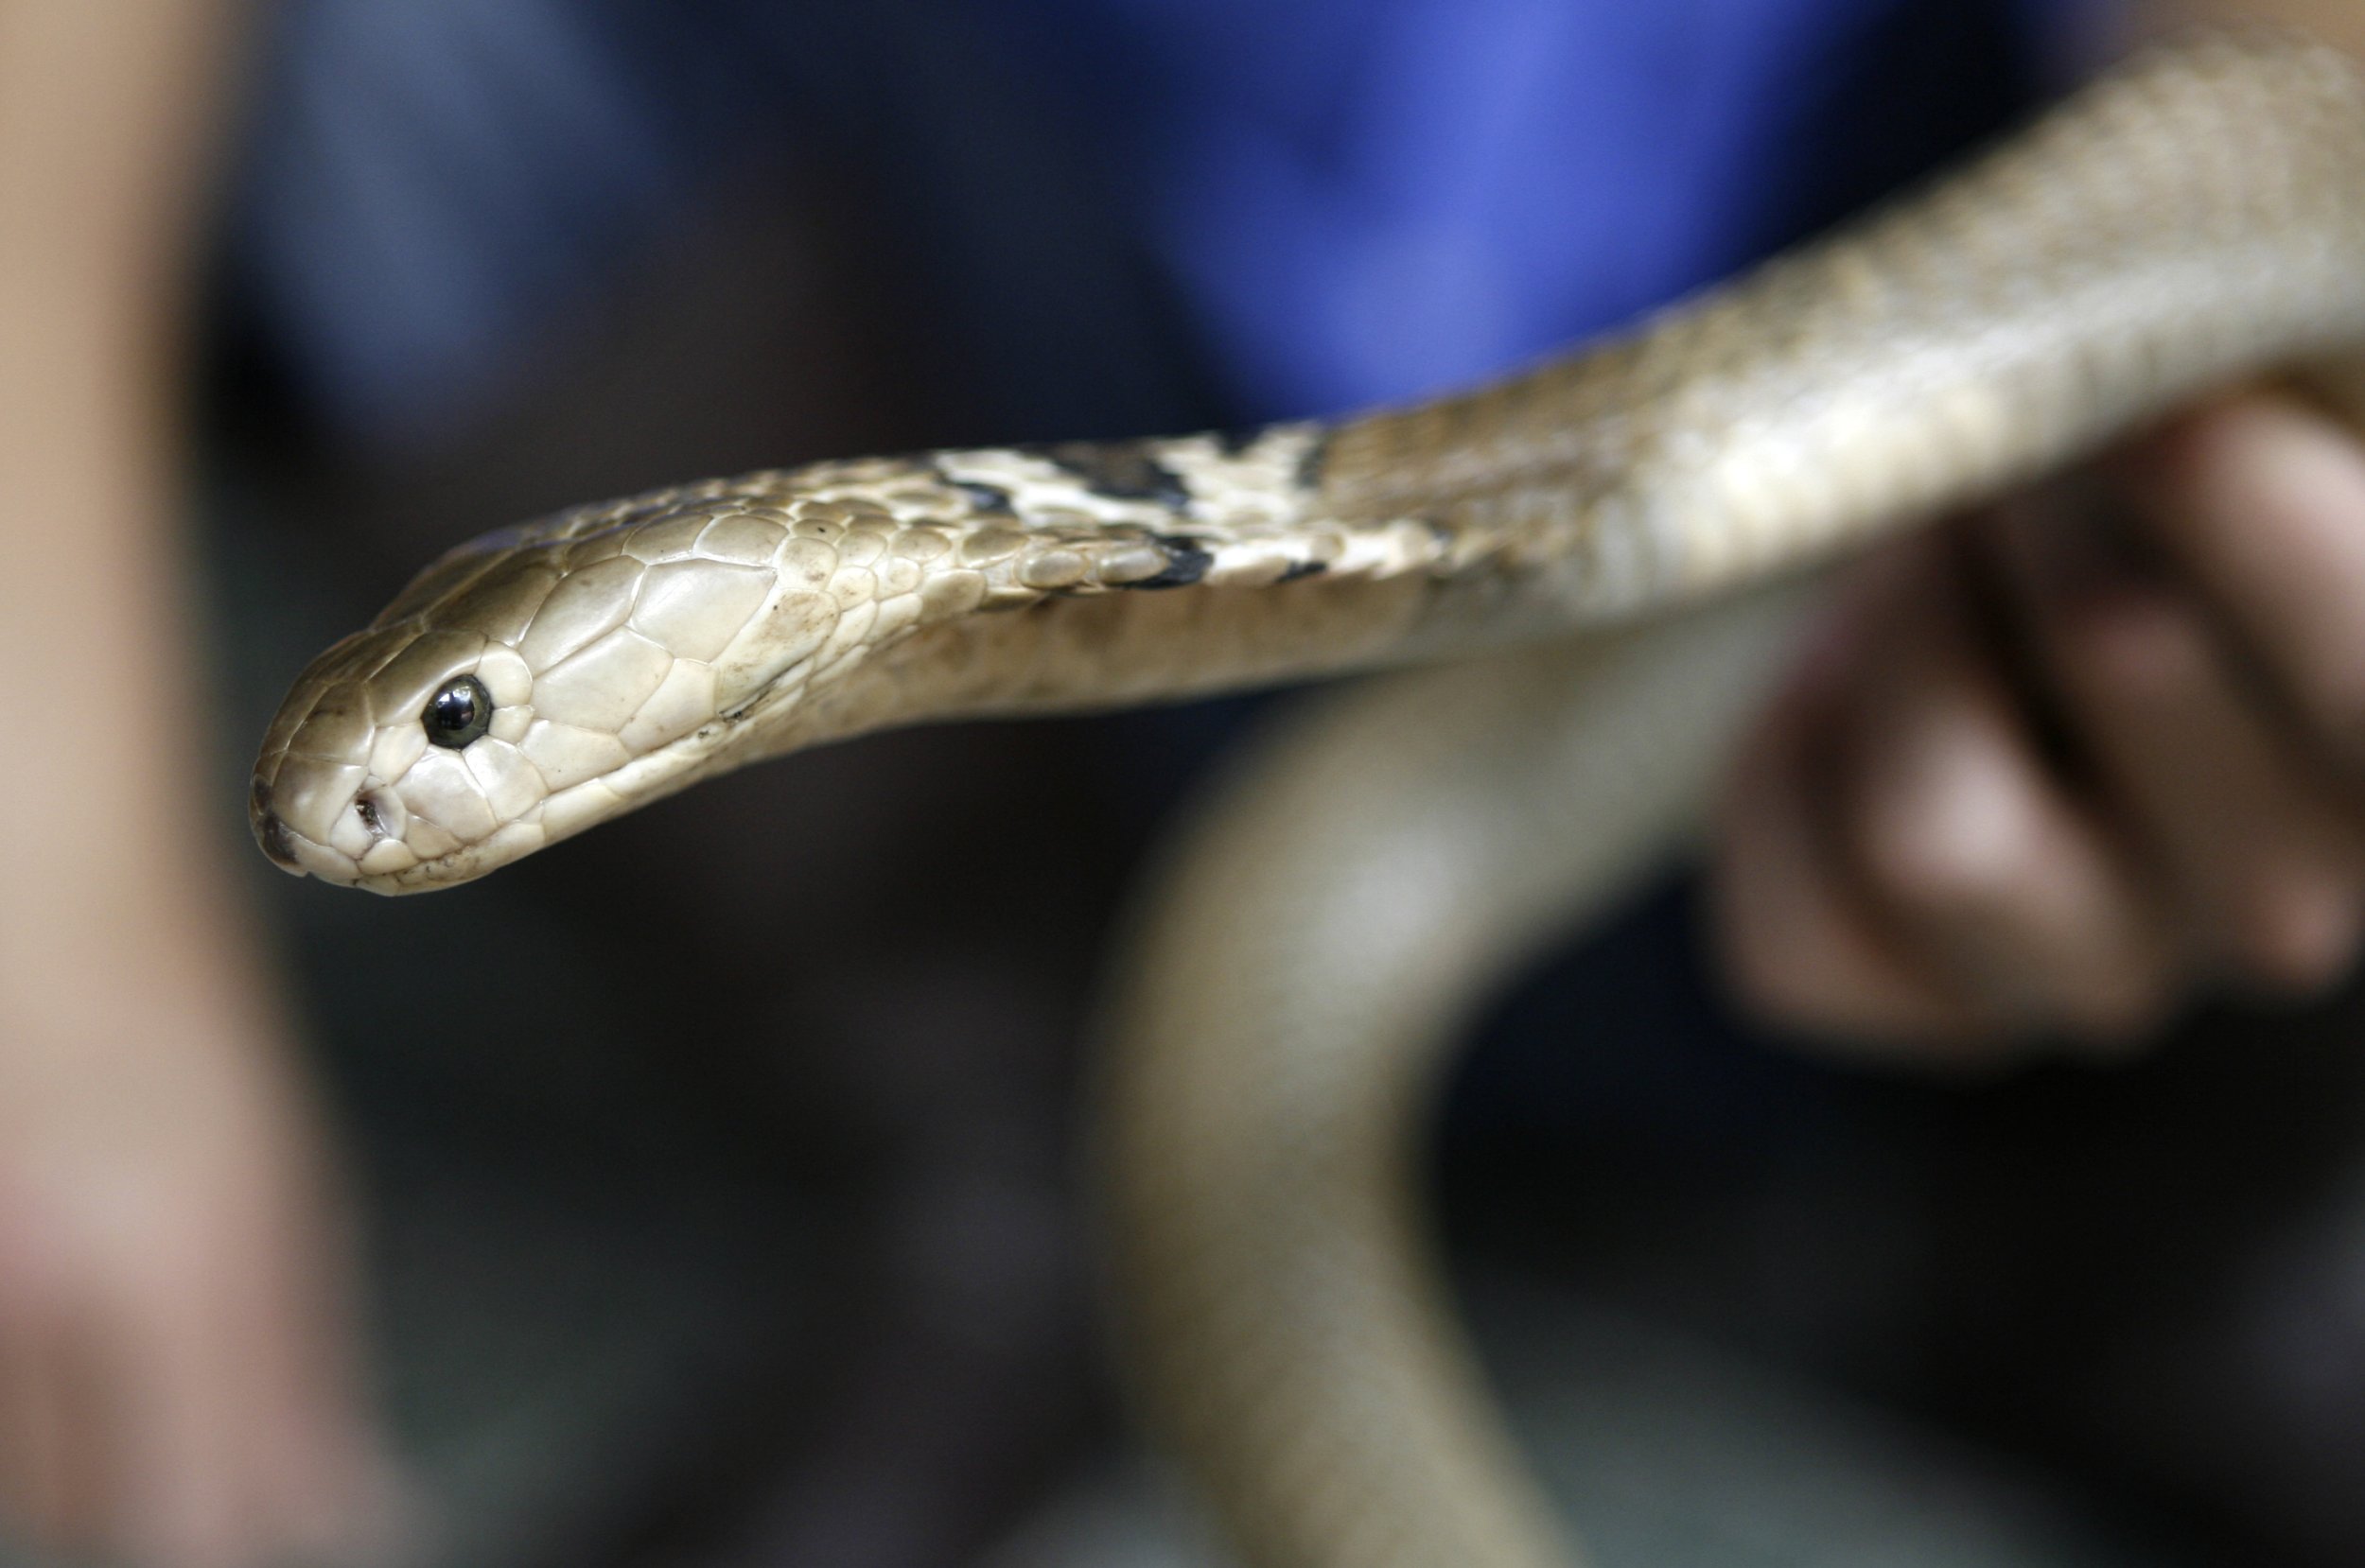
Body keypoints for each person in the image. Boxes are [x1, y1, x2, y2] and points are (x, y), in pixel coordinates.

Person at [7, 0, 2365, 1564]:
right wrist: (50, 856)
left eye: (458, 723)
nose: (376, 795)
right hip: (1087, 375)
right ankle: (1004, 1170)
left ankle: (2164, 1195)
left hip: (1868, 442)